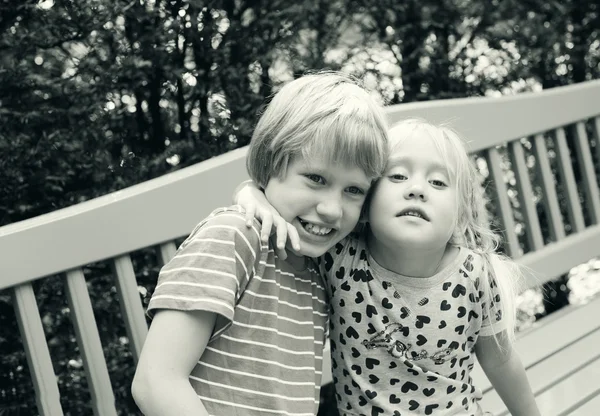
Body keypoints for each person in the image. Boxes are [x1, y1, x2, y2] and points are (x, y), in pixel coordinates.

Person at [234, 118, 541, 415]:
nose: (417, 189)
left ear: (460, 215)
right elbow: (286, 209)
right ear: (366, 201)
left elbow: (501, 362)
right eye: (397, 176)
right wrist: (251, 194)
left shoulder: (474, 274)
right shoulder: (340, 257)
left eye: (437, 182)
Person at [130, 71, 389, 416]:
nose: (331, 209)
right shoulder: (232, 238)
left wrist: (252, 192)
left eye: (353, 190)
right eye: (315, 179)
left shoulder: (322, 268)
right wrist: (250, 193)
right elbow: (155, 382)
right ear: (269, 163)